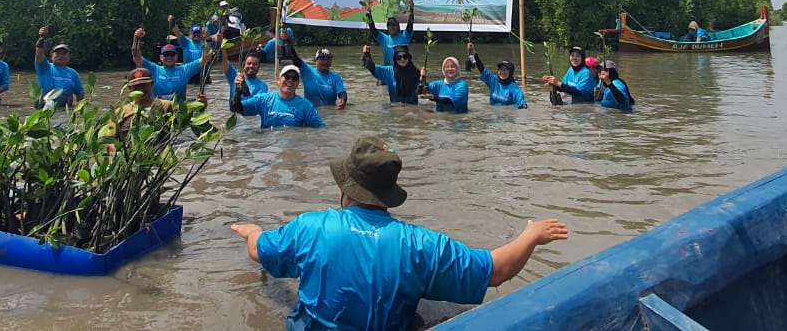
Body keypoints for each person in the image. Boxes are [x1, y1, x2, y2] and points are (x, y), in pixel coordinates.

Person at [229, 136, 569, 331]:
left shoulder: (311, 227)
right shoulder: (420, 244)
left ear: (346, 187)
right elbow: (496, 271)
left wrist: (252, 231)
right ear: (389, 193)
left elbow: (261, 252)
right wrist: (531, 235)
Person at [229, 64, 324, 128]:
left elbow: (321, 129)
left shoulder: (306, 106)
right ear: (278, 80)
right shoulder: (263, 100)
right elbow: (235, 108)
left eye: (294, 78)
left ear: (298, 83)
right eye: (287, 77)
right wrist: (237, 91)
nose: (290, 80)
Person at [132, 27, 204, 103]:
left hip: (178, 110)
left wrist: (207, 41)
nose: (169, 57)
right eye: (166, 54)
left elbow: (203, 60)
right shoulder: (154, 69)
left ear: (177, 56)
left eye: (172, 54)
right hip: (157, 109)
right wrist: (136, 38)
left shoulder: (185, 69)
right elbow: (137, 58)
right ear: (161, 57)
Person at [33, 26, 86, 109]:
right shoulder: (44, 67)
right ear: (52, 55)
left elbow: (80, 95)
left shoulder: (73, 73)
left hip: (63, 110)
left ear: (69, 57)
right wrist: (41, 39)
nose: (60, 56)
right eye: (57, 53)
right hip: (43, 109)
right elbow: (39, 56)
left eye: (64, 53)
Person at [464, 42, 528, 109]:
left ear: (511, 72)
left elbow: (522, 105)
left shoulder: (515, 89)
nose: (503, 72)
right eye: (501, 69)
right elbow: (481, 68)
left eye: (506, 70)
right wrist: (473, 51)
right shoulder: (493, 80)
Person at [364, 0, 416, 65]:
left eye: (394, 25)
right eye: (390, 26)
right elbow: (373, 29)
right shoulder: (384, 39)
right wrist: (368, 14)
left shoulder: (404, 37)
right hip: (389, 71)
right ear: (387, 28)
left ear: (398, 27)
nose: (392, 28)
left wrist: (411, 10)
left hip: (403, 72)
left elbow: (410, 25)